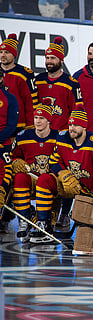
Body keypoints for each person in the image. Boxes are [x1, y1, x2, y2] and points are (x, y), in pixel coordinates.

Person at [32, 109, 93, 243]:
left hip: (90, 191)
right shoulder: (62, 137)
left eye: (75, 125)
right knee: (44, 180)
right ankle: (44, 225)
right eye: (70, 125)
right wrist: (62, 173)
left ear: (84, 126)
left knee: (91, 231)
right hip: (68, 184)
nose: (72, 128)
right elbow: (53, 161)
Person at [10, 99, 58, 241]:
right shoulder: (23, 136)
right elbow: (12, 158)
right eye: (36, 117)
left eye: (42, 118)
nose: (37, 121)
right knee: (19, 177)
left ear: (49, 120)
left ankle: (43, 222)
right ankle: (24, 219)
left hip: (51, 180)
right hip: (31, 177)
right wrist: (15, 162)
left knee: (45, 179)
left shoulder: (59, 137)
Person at [34, 37, 83, 131]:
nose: (49, 61)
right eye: (47, 58)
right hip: (41, 134)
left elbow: (76, 112)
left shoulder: (71, 84)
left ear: (61, 60)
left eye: (53, 58)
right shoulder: (38, 80)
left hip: (62, 134)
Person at [0, 33, 36, 132]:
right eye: (1, 52)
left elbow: (31, 103)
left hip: (18, 126)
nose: (3, 55)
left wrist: (30, 127)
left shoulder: (24, 74)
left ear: (14, 54)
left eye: (7, 52)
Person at [0, 69, 19, 233]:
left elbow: (12, 125)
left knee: (6, 179)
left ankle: (4, 217)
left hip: (3, 144)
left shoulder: (10, 98)